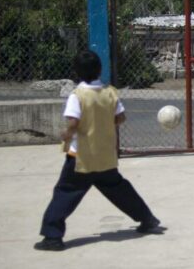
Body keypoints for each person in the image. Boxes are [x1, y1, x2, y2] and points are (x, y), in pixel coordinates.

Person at [35, 50, 161, 251]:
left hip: (81, 158)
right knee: (119, 189)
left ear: (76, 72)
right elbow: (120, 118)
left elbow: (74, 121)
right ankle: (147, 219)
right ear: (100, 70)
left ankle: (52, 237)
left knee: (65, 192)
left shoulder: (77, 96)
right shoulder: (110, 92)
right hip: (105, 155)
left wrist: (67, 133)